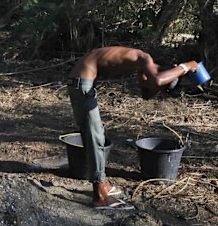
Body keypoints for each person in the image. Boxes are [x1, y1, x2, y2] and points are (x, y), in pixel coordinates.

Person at [67, 46, 198, 210]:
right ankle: (100, 194)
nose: (144, 84)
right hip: (82, 83)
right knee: (94, 135)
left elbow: (147, 93)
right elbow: (156, 81)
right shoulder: (145, 58)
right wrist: (186, 67)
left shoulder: (141, 66)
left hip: (84, 82)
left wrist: (167, 80)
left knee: (97, 134)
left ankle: (103, 183)